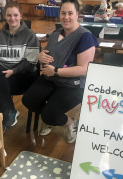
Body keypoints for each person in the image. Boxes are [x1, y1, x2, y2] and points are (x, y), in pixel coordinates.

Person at [22, 0, 98, 143]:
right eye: (63, 13)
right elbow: (48, 54)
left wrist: (56, 71)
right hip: (50, 78)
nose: (66, 17)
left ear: (77, 14)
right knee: (28, 100)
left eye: (70, 13)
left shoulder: (85, 37)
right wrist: (40, 56)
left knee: (49, 114)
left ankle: (70, 123)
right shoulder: (56, 33)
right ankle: (51, 118)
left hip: (72, 84)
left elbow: (84, 69)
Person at [0, 2, 39, 132]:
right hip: (3, 75)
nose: (12, 18)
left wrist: (14, 70)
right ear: (5, 16)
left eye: (15, 15)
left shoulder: (30, 35)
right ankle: (9, 113)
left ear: (21, 16)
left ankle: (5, 118)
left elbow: (31, 63)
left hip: (23, 75)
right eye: (9, 15)